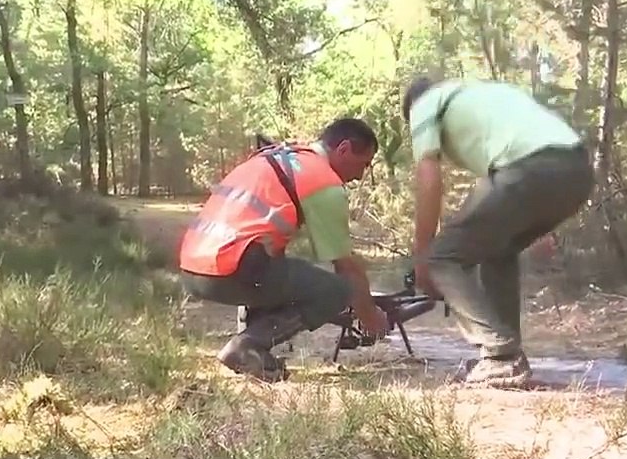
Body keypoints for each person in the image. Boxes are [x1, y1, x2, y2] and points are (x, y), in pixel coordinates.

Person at [401, 76, 595, 388]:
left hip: (530, 168)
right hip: (577, 170)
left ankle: (500, 354)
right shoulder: (485, 94)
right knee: (497, 250)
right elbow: (502, 179)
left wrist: (422, 256)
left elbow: (428, 177)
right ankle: (508, 357)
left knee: (442, 256)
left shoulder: (426, 103)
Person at [177, 117, 390, 382]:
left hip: (192, 267)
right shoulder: (322, 180)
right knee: (336, 289)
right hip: (229, 267)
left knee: (275, 265)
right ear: (344, 149)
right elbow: (345, 267)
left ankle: (252, 350)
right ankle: (247, 347)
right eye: (363, 164)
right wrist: (371, 317)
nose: (360, 176)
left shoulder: (281, 157)